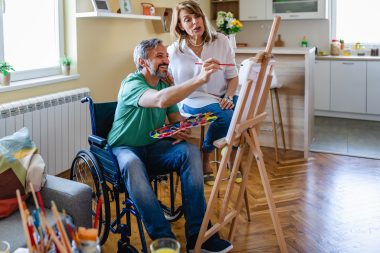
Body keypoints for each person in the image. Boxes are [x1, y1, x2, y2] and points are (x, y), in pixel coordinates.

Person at [107, 38, 233, 253]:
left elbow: (174, 116)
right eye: (159, 56)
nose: (166, 60)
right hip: (125, 147)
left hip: (153, 145)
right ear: (143, 62)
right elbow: (160, 101)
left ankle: (198, 235)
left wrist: (180, 128)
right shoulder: (132, 83)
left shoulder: (165, 83)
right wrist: (200, 79)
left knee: (190, 151)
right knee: (131, 164)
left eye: (166, 55)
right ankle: (164, 240)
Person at [168, 0, 241, 186]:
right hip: (192, 99)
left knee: (243, 113)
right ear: (180, 25)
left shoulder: (221, 40)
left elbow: (233, 77)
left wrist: (229, 97)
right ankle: (207, 155)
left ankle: (229, 151)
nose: (195, 22)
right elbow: (173, 86)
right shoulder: (174, 52)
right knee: (226, 116)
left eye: (197, 16)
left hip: (222, 95)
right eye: (188, 19)